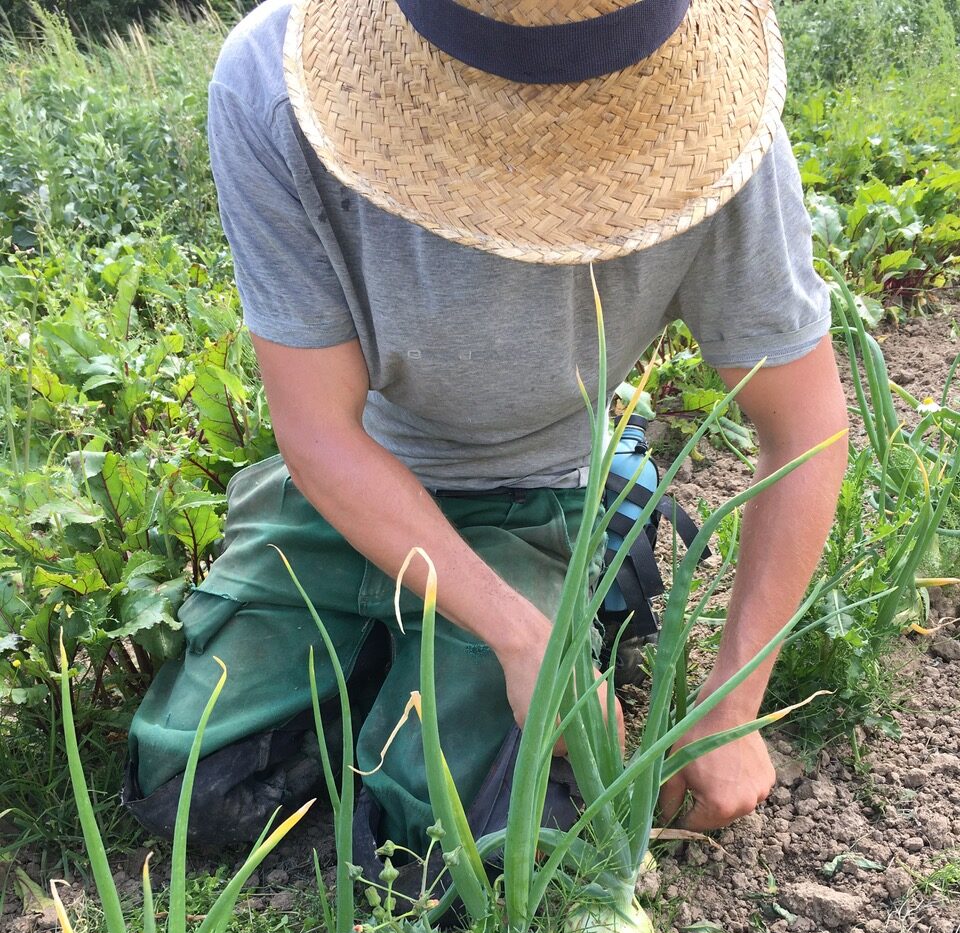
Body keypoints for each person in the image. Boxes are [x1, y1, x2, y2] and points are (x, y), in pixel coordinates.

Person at [123, 0, 849, 856]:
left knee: (492, 840)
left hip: (541, 485)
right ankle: (412, 660)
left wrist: (732, 705)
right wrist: (517, 633)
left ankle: (569, 563)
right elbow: (319, 429)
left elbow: (804, 428)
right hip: (354, 480)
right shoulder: (271, 82)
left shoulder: (723, 138)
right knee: (197, 791)